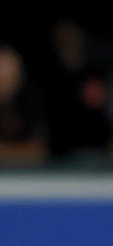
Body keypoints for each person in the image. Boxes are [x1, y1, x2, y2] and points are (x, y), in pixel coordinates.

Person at [39, 18, 113, 162]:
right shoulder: (47, 77)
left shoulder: (97, 73)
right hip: (57, 155)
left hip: (97, 153)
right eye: (62, 37)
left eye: (72, 35)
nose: (68, 41)